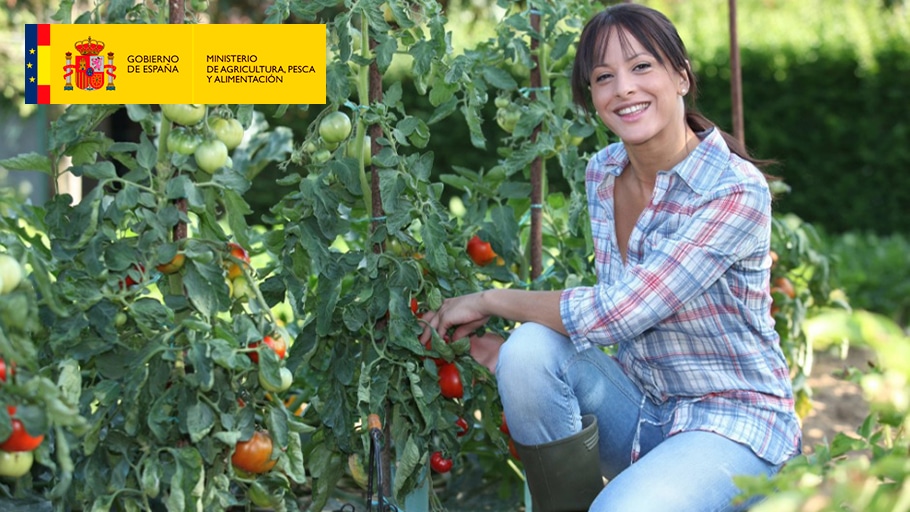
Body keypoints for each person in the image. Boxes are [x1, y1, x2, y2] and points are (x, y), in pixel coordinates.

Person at [419, 3, 801, 511]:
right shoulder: (603, 172)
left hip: (733, 423)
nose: (623, 88)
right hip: (641, 409)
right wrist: (504, 353)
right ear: (592, 97)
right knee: (528, 351)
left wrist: (491, 298)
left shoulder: (733, 190)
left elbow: (622, 310)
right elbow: (605, 326)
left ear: (681, 77)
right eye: (604, 77)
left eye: (642, 67)